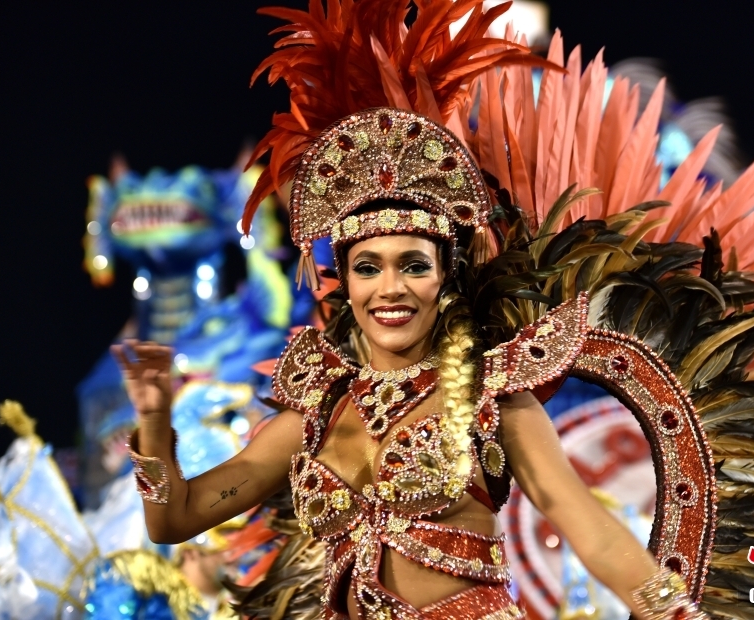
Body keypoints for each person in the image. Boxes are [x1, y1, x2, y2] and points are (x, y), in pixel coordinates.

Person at [112, 3, 709, 618]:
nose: (390, 288)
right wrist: (155, 420)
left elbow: (593, 531)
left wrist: (674, 611)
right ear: (342, 281)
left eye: (414, 265)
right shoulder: (318, 409)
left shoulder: (492, 393)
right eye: (368, 267)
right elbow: (175, 519)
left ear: (445, 278)